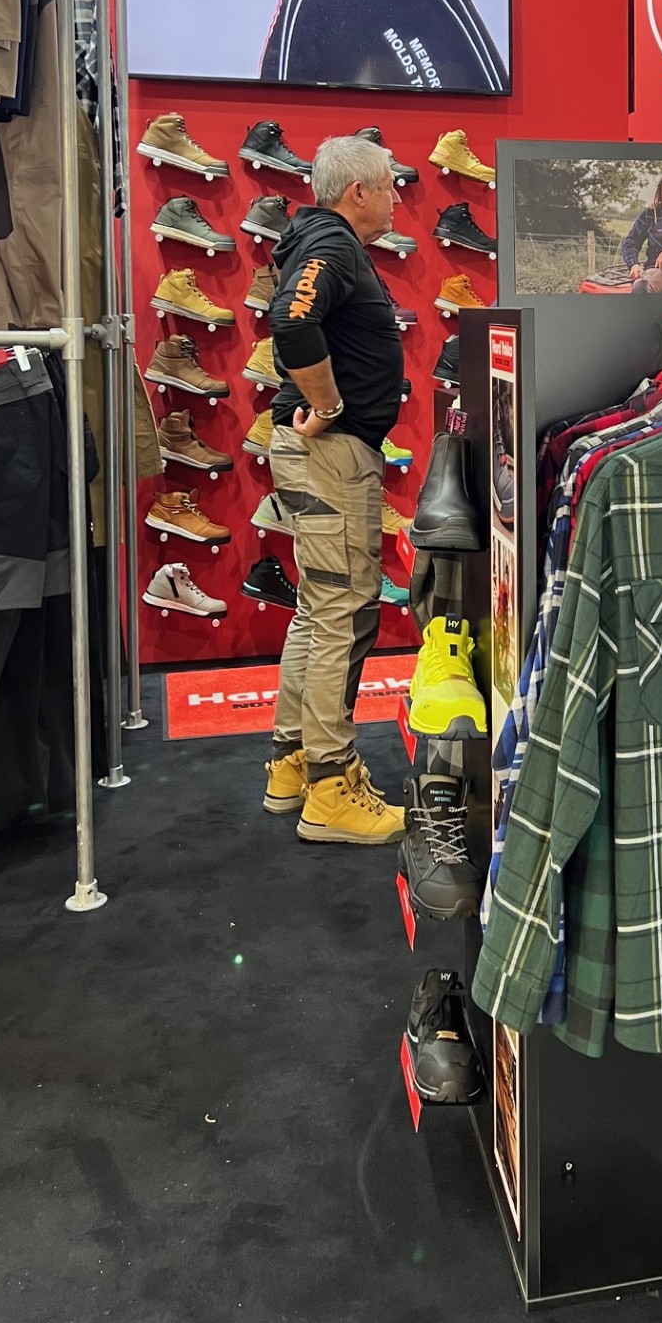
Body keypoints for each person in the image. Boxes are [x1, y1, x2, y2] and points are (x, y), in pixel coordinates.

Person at [262, 136, 406, 845]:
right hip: (332, 454)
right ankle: (330, 788)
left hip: (321, 454)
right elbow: (292, 319)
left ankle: (292, 762)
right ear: (359, 192)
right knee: (344, 615)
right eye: (389, 186)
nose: (396, 198)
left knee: (318, 614)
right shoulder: (333, 243)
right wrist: (328, 404)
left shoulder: (322, 240)